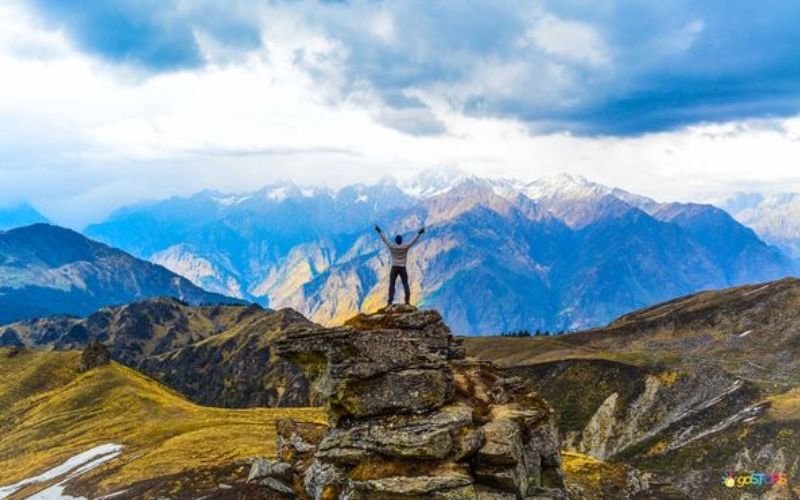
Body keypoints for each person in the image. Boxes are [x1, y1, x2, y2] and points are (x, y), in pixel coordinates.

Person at [374, 224, 425, 305]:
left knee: (392, 284)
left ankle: (390, 301)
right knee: (405, 284)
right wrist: (419, 233)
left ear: (395, 241)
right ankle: (407, 301)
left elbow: (385, 239)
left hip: (394, 267)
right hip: (402, 268)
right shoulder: (405, 247)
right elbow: (413, 240)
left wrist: (379, 231)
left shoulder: (392, 246)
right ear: (401, 241)